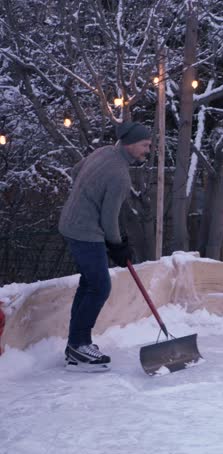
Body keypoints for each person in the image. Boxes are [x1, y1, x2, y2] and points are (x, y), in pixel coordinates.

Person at [58, 121, 151, 372]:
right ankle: (78, 346)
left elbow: (76, 171)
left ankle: (76, 344)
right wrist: (118, 245)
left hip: (70, 222)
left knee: (89, 283)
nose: (147, 150)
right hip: (85, 232)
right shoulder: (120, 175)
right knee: (100, 286)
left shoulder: (104, 152)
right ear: (130, 144)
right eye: (145, 145)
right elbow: (109, 219)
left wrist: (86, 197)